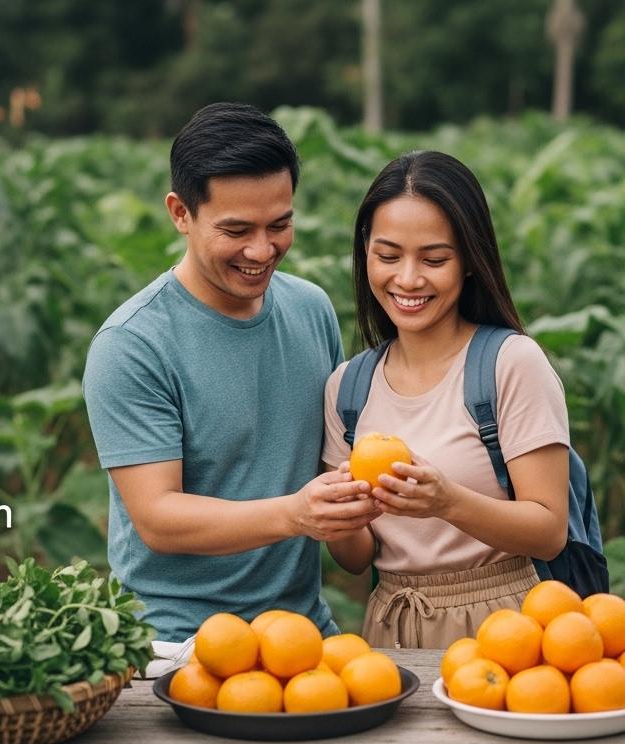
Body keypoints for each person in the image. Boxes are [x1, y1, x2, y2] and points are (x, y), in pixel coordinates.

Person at [83, 103, 377, 643]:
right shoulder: (132, 344)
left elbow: (337, 466)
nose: (262, 250)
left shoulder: (311, 309)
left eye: (280, 225)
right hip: (178, 642)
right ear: (180, 213)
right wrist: (295, 514)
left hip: (301, 633)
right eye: (236, 229)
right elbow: (159, 518)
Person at [321, 150, 570, 649]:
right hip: (392, 626)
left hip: (505, 626)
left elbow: (548, 531)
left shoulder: (510, 364)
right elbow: (356, 559)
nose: (408, 279)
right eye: (388, 256)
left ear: (471, 262)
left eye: (434, 259)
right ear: (365, 250)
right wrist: (343, 514)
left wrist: (445, 501)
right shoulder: (347, 387)